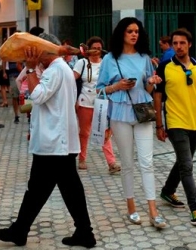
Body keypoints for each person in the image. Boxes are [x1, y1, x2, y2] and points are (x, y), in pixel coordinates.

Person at [0, 33, 96, 248]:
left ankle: (22, 231)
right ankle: (24, 230)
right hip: (57, 141)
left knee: (48, 189)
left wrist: (31, 69)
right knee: (54, 189)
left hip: (54, 143)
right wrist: (33, 67)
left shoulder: (56, 70)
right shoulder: (57, 68)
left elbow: (37, 95)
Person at [96, 17, 166, 228]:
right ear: (121, 34)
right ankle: (131, 207)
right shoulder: (109, 59)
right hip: (119, 114)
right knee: (127, 164)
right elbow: (99, 89)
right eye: (129, 31)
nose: (134, 34)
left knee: (147, 162)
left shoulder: (145, 57)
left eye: (136, 31)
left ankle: (153, 211)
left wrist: (152, 82)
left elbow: (147, 89)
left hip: (142, 113)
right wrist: (116, 86)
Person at [154, 28, 196, 226]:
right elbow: (158, 95)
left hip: (194, 123)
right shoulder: (164, 67)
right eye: (175, 43)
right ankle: (195, 209)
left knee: (183, 161)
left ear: (189, 45)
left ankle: (167, 190)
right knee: (187, 166)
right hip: (176, 123)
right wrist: (159, 125)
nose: (178, 47)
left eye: (182, 43)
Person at [73, 36, 121, 174]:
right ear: (89, 49)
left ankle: (111, 163)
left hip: (101, 102)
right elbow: (71, 78)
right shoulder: (82, 63)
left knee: (104, 132)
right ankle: (82, 158)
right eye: (94, 48)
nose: (97, 51)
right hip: (85, 101)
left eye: (99, 48)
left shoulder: (106, 63)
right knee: (84, 132)